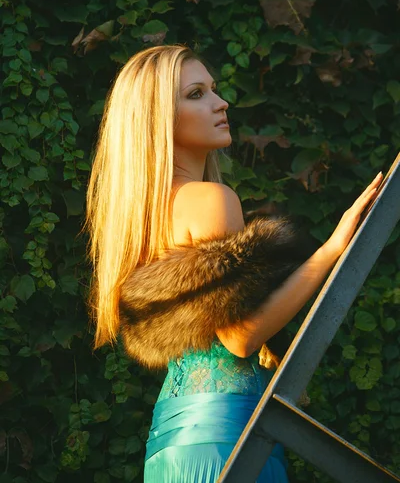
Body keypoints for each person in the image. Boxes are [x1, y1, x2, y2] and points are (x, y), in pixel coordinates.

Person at [84, 44, 383, 482]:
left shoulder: (144, 221)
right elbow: (239, 338)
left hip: (169, 442)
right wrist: (332, 249)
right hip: (229, 439)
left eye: (214, 90)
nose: (221, 103)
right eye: (196, 94)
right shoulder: (209, 199)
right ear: (157, 118)